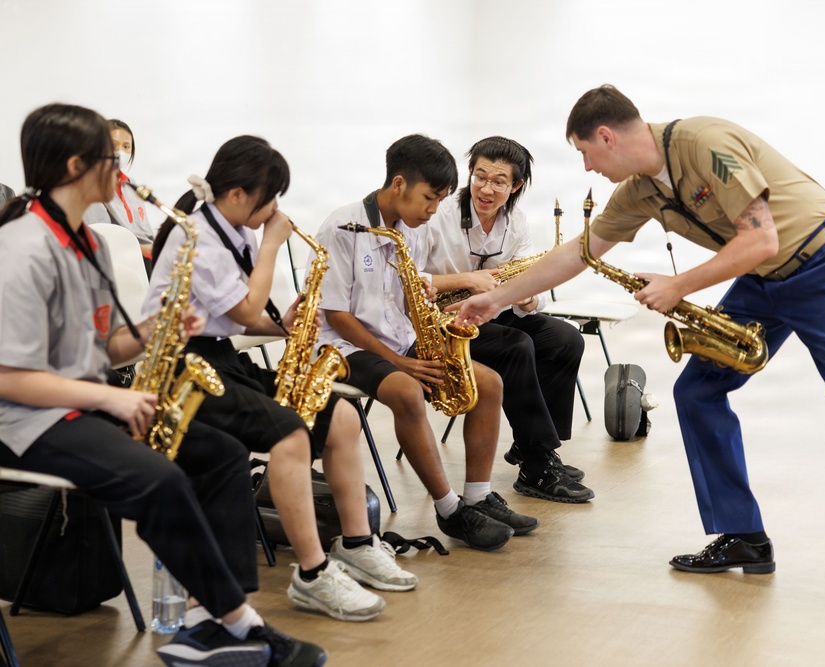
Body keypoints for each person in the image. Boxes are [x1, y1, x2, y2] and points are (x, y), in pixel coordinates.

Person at [454, 85, 825, 629]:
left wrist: (678, 285)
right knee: (698, 391)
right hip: (761, 281)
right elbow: (578, 252)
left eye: (585, 153)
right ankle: (743, 537)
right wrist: (493, 299)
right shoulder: (637, 191)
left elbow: (760, 239)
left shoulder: (705, 141)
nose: (588, 168)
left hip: (824, 264)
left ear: (607, 137)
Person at [0, 103, 326, 667]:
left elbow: (100, 351)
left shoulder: (92, 244)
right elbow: (11, 376)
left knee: (221, 455)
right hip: (27, 419)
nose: (124, 168)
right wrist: (111, 395)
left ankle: (203, 621)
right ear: (78, 164)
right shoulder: (21, 249)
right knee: (160, 479)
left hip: (81, 401)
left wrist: (154, 331)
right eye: (113, 157)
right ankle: (239, 623)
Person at [146, 135, 413, 624]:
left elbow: (240, 316)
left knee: (342, 415)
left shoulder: (233, 227)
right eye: (270, 198)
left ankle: (356, 542)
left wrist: (281, 326)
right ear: (237, 194)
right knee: (289, 431)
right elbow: (245, 304)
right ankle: (312, 575)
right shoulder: (197, 236)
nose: (275, 211)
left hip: (219, 355)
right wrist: (271, 245)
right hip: (183, 369)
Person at [315, 134, 539, 551]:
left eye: (441, 200)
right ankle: (450, 509)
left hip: (398, 339)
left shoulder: (413, 229)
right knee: (406, 392)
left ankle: (477, 496)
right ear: (398, 184)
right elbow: (337, 316)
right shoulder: (342, 227)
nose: (435, 210)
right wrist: (400, 363)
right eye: (430, 198)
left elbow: (408, 298)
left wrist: (432, 328)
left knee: (487, 384)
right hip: (344, 346)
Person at [422, 136, 593, 503]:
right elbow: (409, 279)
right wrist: (466, 280)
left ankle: (537, 446)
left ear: (515, 186)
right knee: (517, 346)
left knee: (566, 339)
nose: (486, 188)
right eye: (480, 176)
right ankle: (536, 462)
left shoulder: (517, 222)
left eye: (499, 181)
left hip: (492, 319)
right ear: (469, 173)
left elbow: (533, 286)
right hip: (444, 325)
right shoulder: (438, 215)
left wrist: (530, 296)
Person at [82, 119, 155, 273]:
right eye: (113, 145)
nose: (120, 152)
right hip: (120, 265)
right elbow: (102, 238)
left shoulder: (132, 185)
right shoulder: (90, 185)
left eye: (126, 146)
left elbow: (146, 234)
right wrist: (146, 250)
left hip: (145, 259)